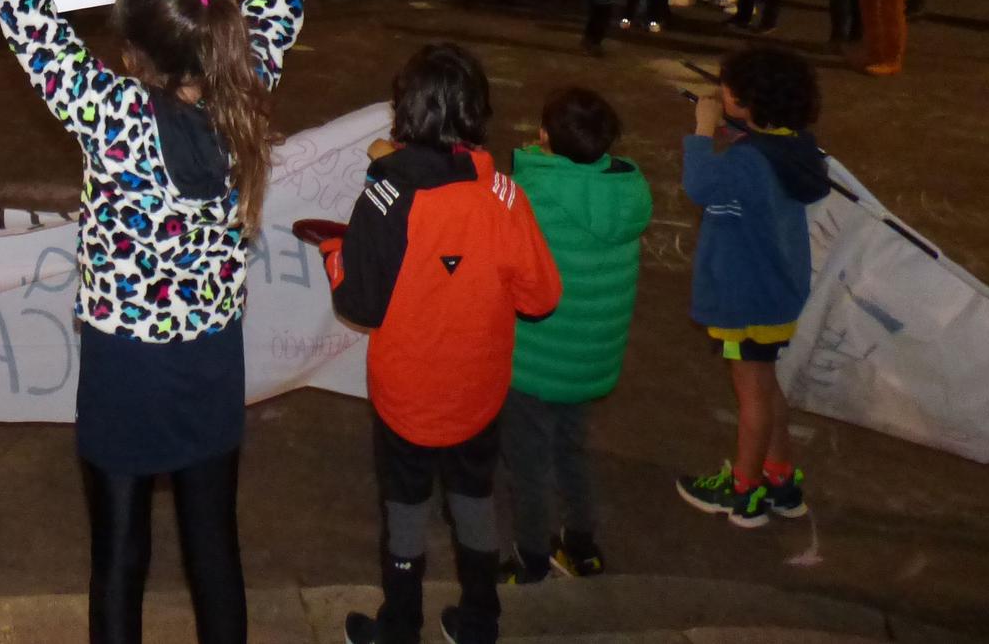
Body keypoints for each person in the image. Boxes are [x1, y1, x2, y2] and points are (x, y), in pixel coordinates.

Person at [0, 0, 352, 644]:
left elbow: (34, 30)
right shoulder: (249, 87)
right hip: (211, 357)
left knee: (120, 554)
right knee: (215, 546)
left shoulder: (109, 115)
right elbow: (279, 1)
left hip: (124, 364)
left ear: (133, 55)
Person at [316, 43, 561, 644]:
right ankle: (479, 620)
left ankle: (399, 626)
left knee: (404, 507)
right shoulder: (504, 195)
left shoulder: (387, 194)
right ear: (477, 112)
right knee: (474, 498)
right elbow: (541, 297)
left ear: (407, 112)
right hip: (478, 393)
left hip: (407, 396)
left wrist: (335, 258)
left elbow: (359, 305)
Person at [500, 89, 652, 583]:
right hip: (589, 358)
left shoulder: (532, 192)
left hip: (534, 358)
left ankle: (531, 557)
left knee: (529, 465)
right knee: (571, 448)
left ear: (545, 136)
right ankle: (582, 546)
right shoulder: (625, 189)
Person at [675, 47, 829, 527]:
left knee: (752, 396)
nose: (719, 95)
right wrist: (740, 133)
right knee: (766, 385)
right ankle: (780, 478)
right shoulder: (795, 146)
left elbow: (700, 185)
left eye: (726, 89)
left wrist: (702, 130)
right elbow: (762, 158)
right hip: (777, 293)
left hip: (746, 295)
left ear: (746, 100)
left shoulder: (748, 162)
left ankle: (744, 490)